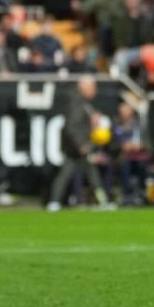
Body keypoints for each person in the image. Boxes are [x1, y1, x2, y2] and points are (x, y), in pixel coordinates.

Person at [45, 75, 111, 210]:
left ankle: (103, 201)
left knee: (90, 174)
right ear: (83, 87)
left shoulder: (82, 102)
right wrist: (81, 144)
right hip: (76, 147)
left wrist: (93, 122)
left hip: (78, 146)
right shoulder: (77, 101)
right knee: (69, 174)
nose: (95, 90)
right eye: (93, 87)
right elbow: (72, 126)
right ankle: (54, 202)